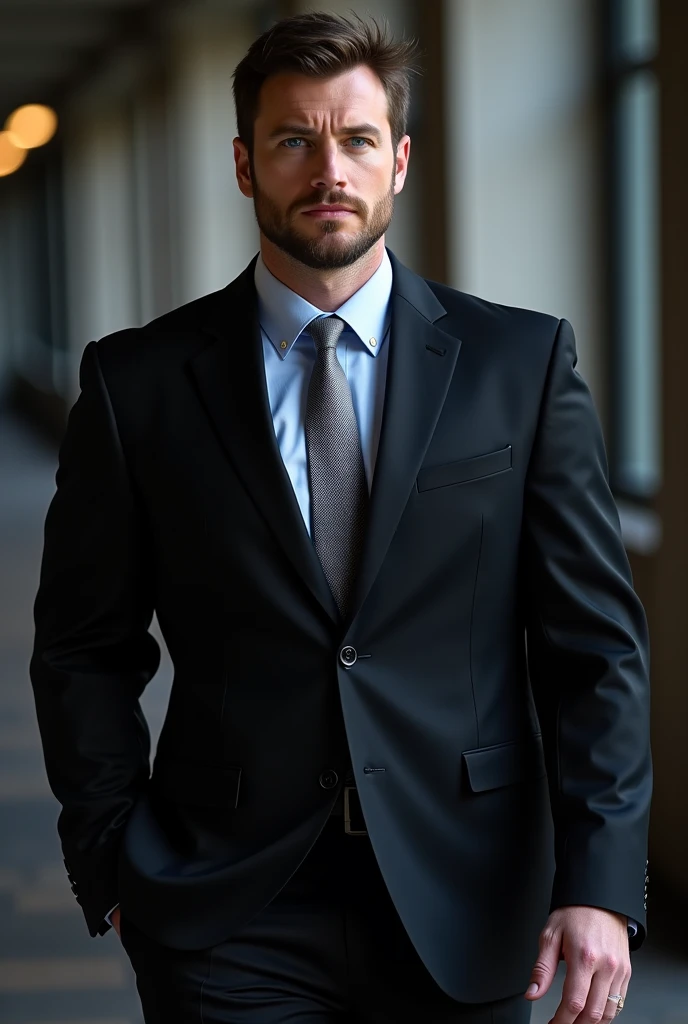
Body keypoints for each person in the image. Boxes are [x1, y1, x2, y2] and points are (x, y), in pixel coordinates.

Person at [30, 11, 651, 1024]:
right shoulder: (136, 385)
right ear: (243, 164)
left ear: (399, 161)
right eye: (293, 140)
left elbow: (594, 648)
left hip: (470, 886)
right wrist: (110, 855)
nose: (330, 169)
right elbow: (82, 647)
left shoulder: (520, 367)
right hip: (226, 900)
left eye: (357, 139)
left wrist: (599, 879)